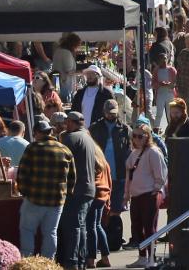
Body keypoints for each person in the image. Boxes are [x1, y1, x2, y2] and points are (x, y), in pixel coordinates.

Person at [17, 119, 75, 259]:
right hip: (56, 200)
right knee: (51, 232)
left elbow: (22, 175)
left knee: (27, 230)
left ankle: (28, 261)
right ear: (50, 132)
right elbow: (72, 178)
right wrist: (65, 195)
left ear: (37, 133)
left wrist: (25, 193)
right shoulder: (65, 150)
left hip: (34, 198)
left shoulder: (33, 148)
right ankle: (48, 263)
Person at [58, 111, 98, 269]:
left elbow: (60, 161)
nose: (65, 125)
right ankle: (80, 260)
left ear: (71, 122)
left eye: (67, 122)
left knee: (74, 226)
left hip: (77, 188)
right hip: (87, 188)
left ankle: (72, 261)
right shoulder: (87, 137)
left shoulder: (71, 138)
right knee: (80, 226)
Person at [124, 124, 167, 269]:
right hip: (136, 195)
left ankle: (152, 258)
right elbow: (128, 175)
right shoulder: (134, 153)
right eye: (134, 136)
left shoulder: (153, 152)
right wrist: (126, 195)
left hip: (149, 194)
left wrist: (156, 189)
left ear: (147, 136)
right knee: (137, 228)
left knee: (150, 228)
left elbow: (161, 173)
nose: (136, 139)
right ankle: (142, 257)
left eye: (140, 136)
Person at [89, 100, 129, 224]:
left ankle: (115, 236)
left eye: (113, 113)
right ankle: (104, 235)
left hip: (119, 175)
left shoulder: (125, 129)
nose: (111, 115)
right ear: (104, 112)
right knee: (101, 209)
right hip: (101, 176)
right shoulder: (95, 127)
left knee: (116, 210)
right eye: (109, 113)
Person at [86, 145, 113, 268]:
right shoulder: (102, 158)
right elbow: (109, 180)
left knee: (91, 227)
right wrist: (108, 199)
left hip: (93, 194)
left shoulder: (90, 158)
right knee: (97, 226)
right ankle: (105, 257)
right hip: (102, 194)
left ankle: (91, 259)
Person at [149, 52, 177, 132]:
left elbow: (176, 81)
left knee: (170, 113)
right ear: (159, 61)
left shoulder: (171, 69)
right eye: (162, 59)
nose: (164, 61)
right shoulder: (156, 70)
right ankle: (156, 128)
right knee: (159, 112)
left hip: (170, 93)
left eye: (165, 59)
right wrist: (160, 84)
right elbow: (153, 83)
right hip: (160, 94)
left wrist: (171, 84)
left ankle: (172, 129)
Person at [54, 33, 82, 101]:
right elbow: (69, 71)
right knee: (65, 102)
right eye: (78, 45)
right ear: (74, 44)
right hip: (64, 83)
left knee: (58, 100)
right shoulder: (66, 53)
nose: (79, 47)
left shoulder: (58, 51)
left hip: (56, 80)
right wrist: (82, 72)